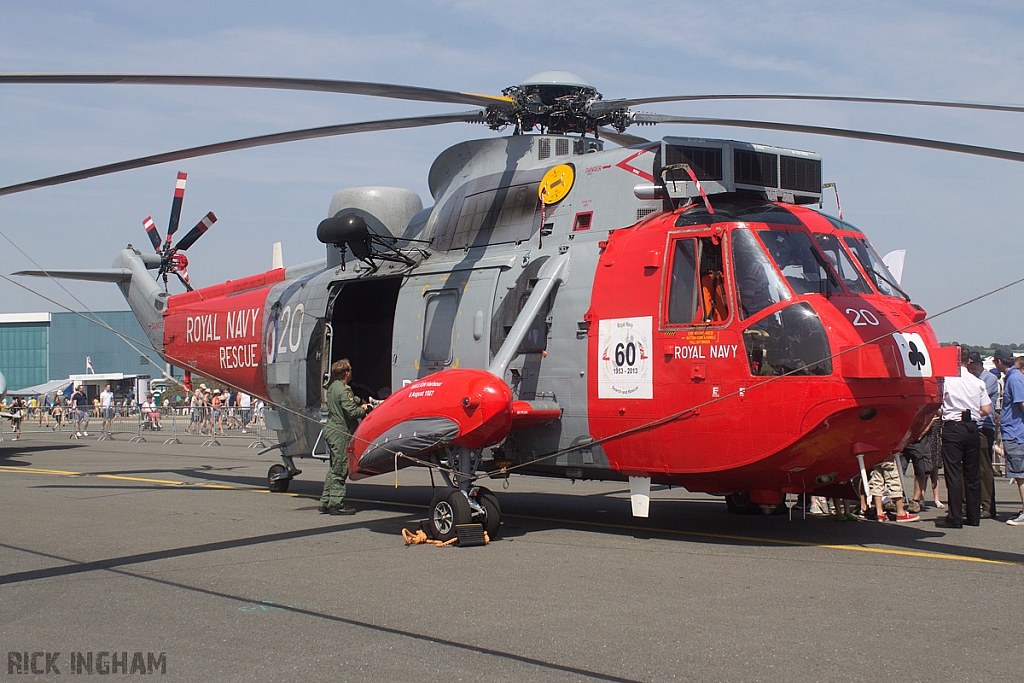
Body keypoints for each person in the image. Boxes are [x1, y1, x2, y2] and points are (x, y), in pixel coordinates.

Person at [936, 347, 991, 528]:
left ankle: (955, 516)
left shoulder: (946, 381)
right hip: (972, 426)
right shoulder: (977, 382)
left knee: (953, 474)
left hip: (954, 425)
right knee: (972, 474)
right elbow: (986, 409)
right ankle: (974, 515)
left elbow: (938, 405)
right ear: (968, 362)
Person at [318, 359, 373, 515]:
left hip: (331, 429)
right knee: (341, 469)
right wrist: (366, 408)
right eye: (350, 369)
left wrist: (355, 399)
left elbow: (343, 402)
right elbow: (352, 412)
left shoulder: (333, 387)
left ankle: (326, 501)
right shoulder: (344, 390)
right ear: (346, 373)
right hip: (340, 432)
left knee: (334, 468)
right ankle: (336, 504)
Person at [992, 347, 1024, 526]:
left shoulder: (1014, 379)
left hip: (1016, 433)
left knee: (1020, 474)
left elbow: (1022, 403)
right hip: (1014, 431)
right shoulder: (1013, 377)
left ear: (999, 361)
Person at [968, 352, 999, 519]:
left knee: (984, 468)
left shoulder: (988, 379)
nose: (971, 368)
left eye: (974, 365)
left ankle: (988, 505)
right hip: (974, 424)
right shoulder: (974, 379)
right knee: (973, 467)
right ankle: (976, 503)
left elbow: (979, 400)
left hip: (983, 426)